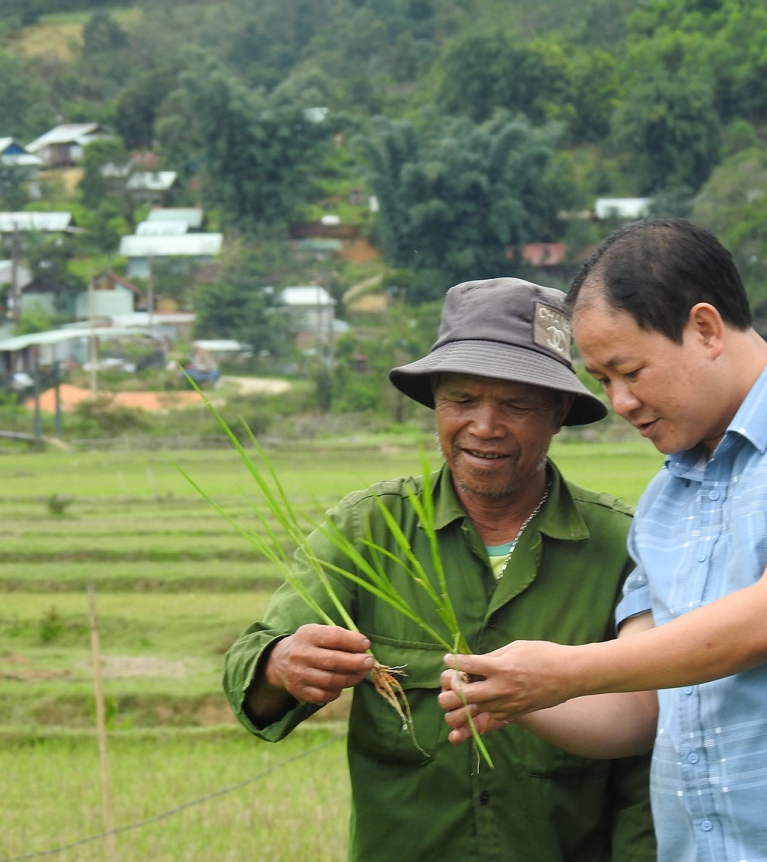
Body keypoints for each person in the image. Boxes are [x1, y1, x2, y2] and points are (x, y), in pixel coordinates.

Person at [439, 220, 767, 862]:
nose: (620, 402)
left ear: (705, 328)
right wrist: (516, 694)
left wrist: (565, 668)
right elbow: (639, 709)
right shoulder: (665, 500)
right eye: (602, 381)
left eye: (630, 370)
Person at [222, 277, 656, 861]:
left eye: (516, 404)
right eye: (462, 400)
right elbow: (252, 671)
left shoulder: (623, 547)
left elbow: (645, 766)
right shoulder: (367, 530)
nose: (484, 426)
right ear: (435, 405)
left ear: (558, 412)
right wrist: (282, 666)